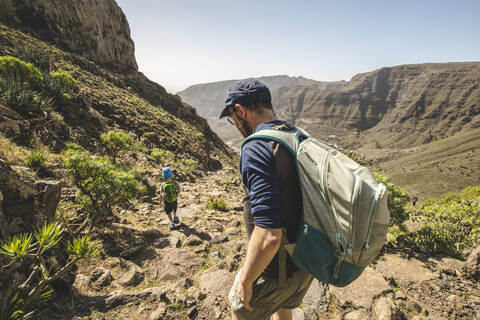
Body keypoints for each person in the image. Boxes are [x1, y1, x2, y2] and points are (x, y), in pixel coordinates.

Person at [220, 79, 313, 320]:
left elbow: (270, 237)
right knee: (282, 306)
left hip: (279, 268)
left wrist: (246, 280)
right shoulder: (295, 134)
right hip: (307, 259)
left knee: (239, 308)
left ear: (240, 111)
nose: (234, 123)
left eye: (232, 117)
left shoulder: (256, 147)